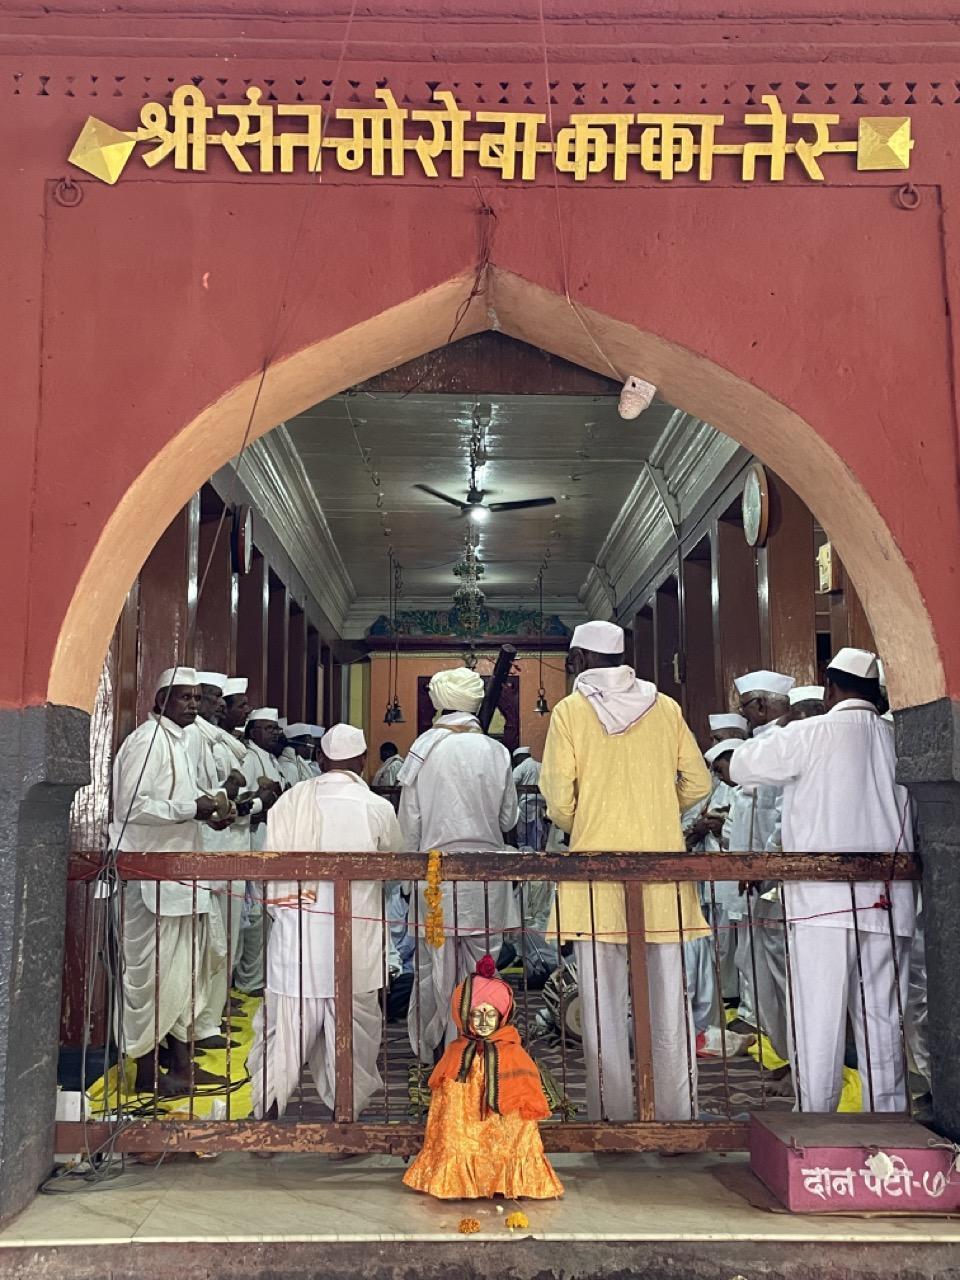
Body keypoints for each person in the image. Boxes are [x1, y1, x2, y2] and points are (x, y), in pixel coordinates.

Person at [729, 647, 916, 1112]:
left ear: (830, 689)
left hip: (821, 903)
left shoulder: (811, 733)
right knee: (882, 1018)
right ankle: (887, 1121)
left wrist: (790, 723)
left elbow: (739, 765)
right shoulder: (900, 738)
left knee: (819, 1018)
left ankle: (817, 1120)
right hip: (890, 901)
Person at [540, 620, 712, 1122]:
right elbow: (698, 781)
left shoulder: (571, 711)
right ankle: (678, 1117)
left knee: (600, 1003)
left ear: (582, 658)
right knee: (668, 1002)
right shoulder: (666, 707)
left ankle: (611, 1119)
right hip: (661, 870)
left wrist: (585, 821)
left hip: (596, 871)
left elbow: (557, 797)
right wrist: (660, 811)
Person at [247, 724, 403, 1120]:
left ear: (320, 758)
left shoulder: (290, 802)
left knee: (283, 1033)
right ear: (364, 760)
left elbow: (269, 861)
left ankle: (266, 1117)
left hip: (296, 941)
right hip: (353, 943)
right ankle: (344, 1120)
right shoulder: (376, 808)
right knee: (353, 1034)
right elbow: (396, 863)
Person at [109, 666, 228, 1095]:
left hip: (181, 879)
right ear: (159, 701)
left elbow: (185, 801)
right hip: (152, 882)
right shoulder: (147, 741)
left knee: (187, 976)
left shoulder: (180, 741)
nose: (194, 704)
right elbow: (131, 806)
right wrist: (189, 809)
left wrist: (210, 815)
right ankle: (146, 1075)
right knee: (156, 978)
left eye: (197, 697)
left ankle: (181, 1069)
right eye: (184, 697)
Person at [399, 666, 519, 1062]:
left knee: (438, 967)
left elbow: (410, 824)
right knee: (484, 964)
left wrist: (408, 874)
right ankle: (484, 1050)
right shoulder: (496, 750)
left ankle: (445, 1050)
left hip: (436, 875)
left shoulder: (423, 749)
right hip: (487, 875)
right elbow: (508, 821)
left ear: (438, 702)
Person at [403, 955, 563, 1201]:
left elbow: (525, 1087)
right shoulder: (457, 1053)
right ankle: (460, 1183)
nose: (485, 1022)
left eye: (491, 1015)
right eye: (477, 1015)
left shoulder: (513, 1052)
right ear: (465, 1017)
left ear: (502, 1016)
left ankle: (507, 1180)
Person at [726, 670, 795, 1063]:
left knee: (783, 975)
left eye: (747, 707)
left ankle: (799, 1062)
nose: (744, 715)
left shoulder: (784, 745)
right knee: (755, 967)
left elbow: (783, 817)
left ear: (764, 705)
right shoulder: (759, 745)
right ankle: (785, 1053)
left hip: (774, 880)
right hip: (754, 880)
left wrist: (762, 864)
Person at [185, 671, 249, 1049]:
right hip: (202, 850)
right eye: (213, 698)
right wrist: (231, 793)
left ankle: (210, 1017)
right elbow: (204, 796)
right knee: (209, 945)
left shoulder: (219, 741)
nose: (218, 705)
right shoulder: (194, 738)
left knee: (224, 941)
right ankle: (199, 1025)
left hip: (224, 847)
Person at [512, 747, 548, 852]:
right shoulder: (541, 766)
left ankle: (525, 853)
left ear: (520, 757)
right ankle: (537, 851)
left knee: (523, 832)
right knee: (538, 830)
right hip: (541, 803)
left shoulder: (521, 767)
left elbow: (512, 784)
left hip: (525, 804)